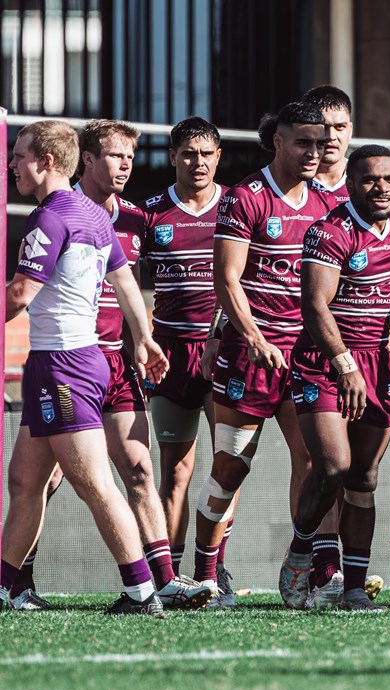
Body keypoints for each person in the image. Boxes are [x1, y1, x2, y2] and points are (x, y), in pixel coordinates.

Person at [6, 120, 214, 611]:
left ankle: (144, 589)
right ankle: (8, 585)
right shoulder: (93, 214)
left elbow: (20, 293)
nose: (10, 165)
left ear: (47, 161)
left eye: (18, 156)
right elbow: (123, 279)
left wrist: (142, 340)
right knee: (26, 481)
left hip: (66, 365)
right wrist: (146, 338)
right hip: (68, 362)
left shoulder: (52, 218)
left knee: (96, 482)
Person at [191, 102, 330, 591]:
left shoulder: (328, 204)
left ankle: (306, 569)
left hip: (305, 357)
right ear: (278, 142)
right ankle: (207, 575)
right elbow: (226, 280)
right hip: (249, 356)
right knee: (231, 467)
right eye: (303, 143)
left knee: (317, 462)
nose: (315, 152)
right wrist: (250, 339)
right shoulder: (245, 198)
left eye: (320, 143)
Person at [279, 145, 390, 610]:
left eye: (389, 179)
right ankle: (302, 550)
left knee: (364, 478)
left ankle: (355, 589)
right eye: (369, 180)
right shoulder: (331, 231)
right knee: (334, 467)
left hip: (377, 362)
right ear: (351, 184)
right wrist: (344, 365)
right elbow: (315, 304)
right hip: (324, 361)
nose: (381, 188)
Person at [139, 117, 234, 606]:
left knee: (228, 465)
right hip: (170, 356)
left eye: (207, 154)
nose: (198, 163)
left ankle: (212, 570)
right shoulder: (150, 213)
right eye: (188, 153)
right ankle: (170, 576)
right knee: (174, 470)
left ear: (219, 157)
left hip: (225, 350)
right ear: (173, 155)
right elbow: (123, 282)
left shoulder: (238, 207)